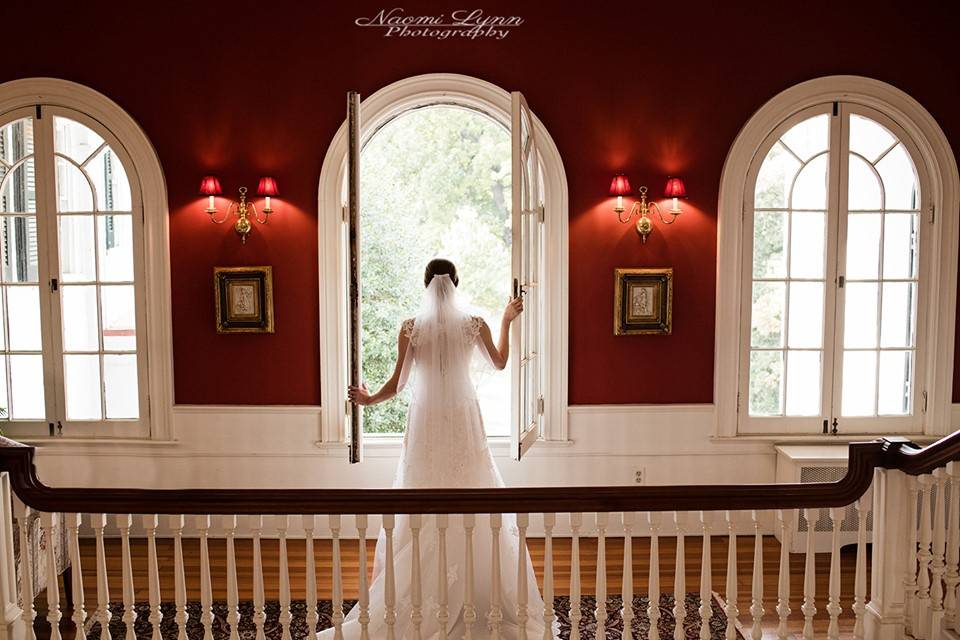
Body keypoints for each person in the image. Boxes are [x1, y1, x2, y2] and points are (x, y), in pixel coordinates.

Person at [319, 258, 555, 639]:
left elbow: (397, 386)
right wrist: (507, 319)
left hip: (426, 423)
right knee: (474, 495)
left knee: (421, 499)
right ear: (456, 284)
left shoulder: (411, 328)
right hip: (463, 421)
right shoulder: (473, 323)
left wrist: (365, 400)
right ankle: (483, 594)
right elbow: (500, 362)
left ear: (426, 283)